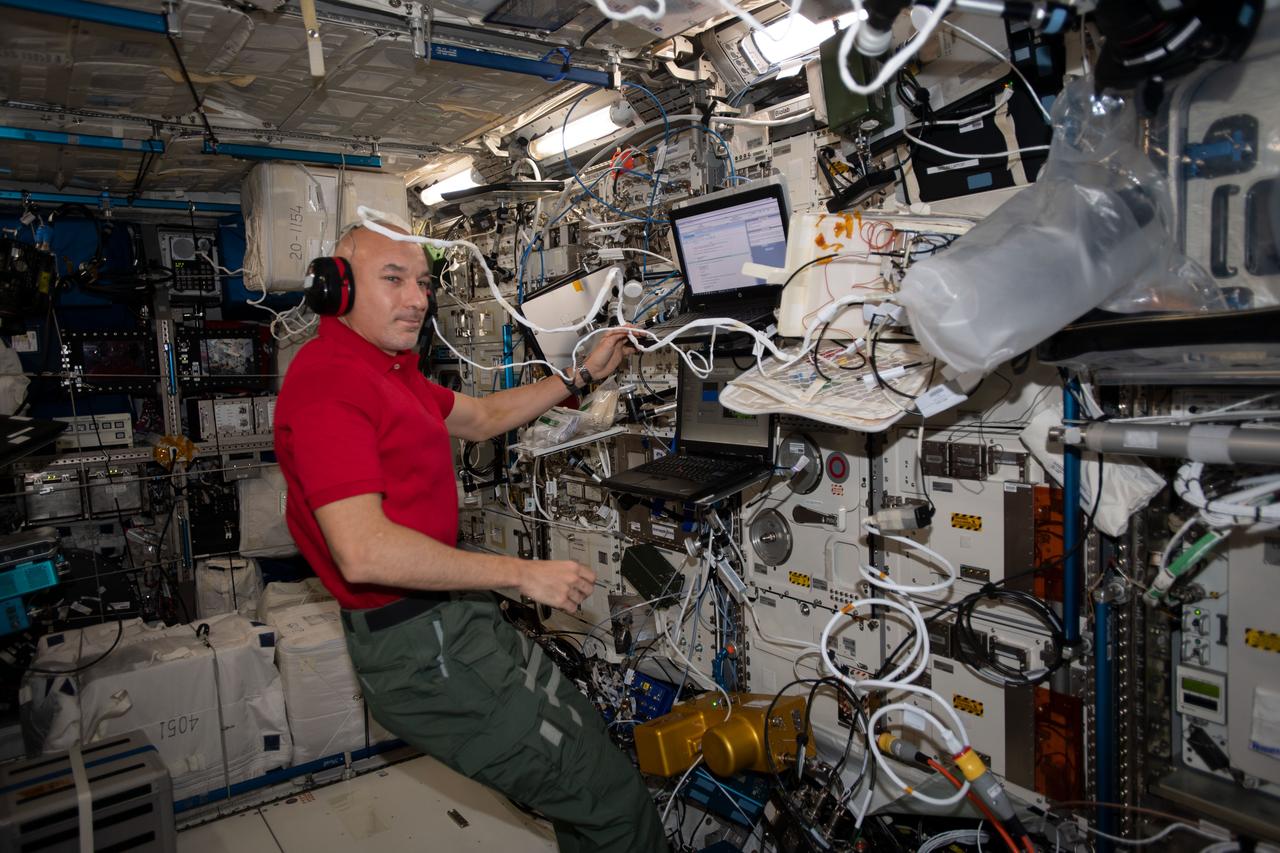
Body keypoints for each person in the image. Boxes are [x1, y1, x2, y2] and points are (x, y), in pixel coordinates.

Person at [274, 223, 669, 853]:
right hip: (422, 646)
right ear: (337, 287)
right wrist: (519, 573)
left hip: (456, 622)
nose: (417, 299)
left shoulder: (385, 371)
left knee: (586, 759)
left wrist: (581, 378)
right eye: (394, 279)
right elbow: (363, 549)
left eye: (424, 283)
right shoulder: (329, 385)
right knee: (613, 806)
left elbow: (482, 420)